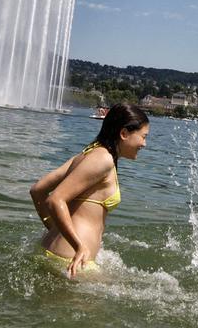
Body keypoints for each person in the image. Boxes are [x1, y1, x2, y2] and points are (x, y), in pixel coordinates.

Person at [31, 103, 149, 278]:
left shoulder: (86, 154)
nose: (144, 144)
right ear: (124, 134)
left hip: (59, 254)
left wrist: (55, 230)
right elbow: (55, 199)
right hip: (72, 260)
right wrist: (78, 245)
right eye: (143, 136)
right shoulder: (103, 159)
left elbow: (37, 190)